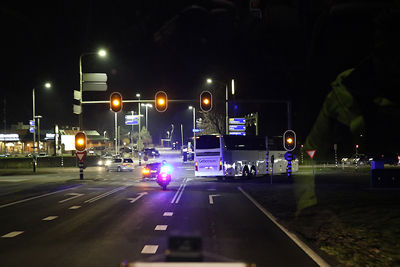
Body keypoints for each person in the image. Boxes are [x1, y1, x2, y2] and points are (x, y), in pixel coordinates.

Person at [305, 8, 400, 159]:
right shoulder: (343, 92)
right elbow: (311, 154)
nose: (393, 64)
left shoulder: (343, 92)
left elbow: (310, 156)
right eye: (384, 54)